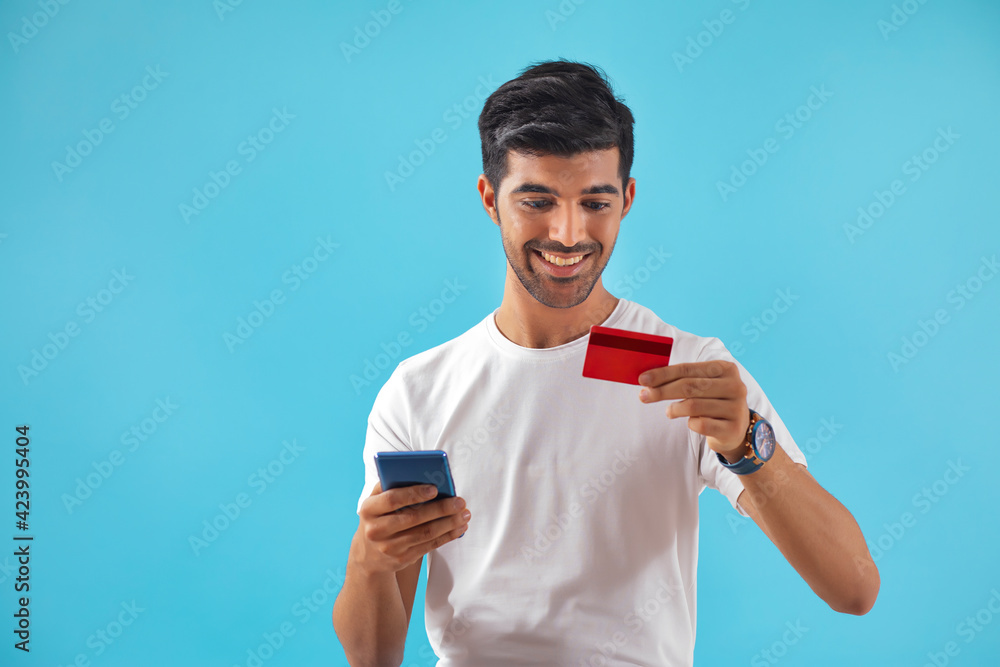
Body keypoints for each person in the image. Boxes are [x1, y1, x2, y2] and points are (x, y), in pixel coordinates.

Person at [333, 59, 879, 666]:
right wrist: (369, 554)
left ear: (627, 199)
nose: (568, 234)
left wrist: (747, 442)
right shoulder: (419, 390)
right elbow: (372, 658)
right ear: (490, 199)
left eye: (595, 202)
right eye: (536, 200)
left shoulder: (689, 371)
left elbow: (853, 588)